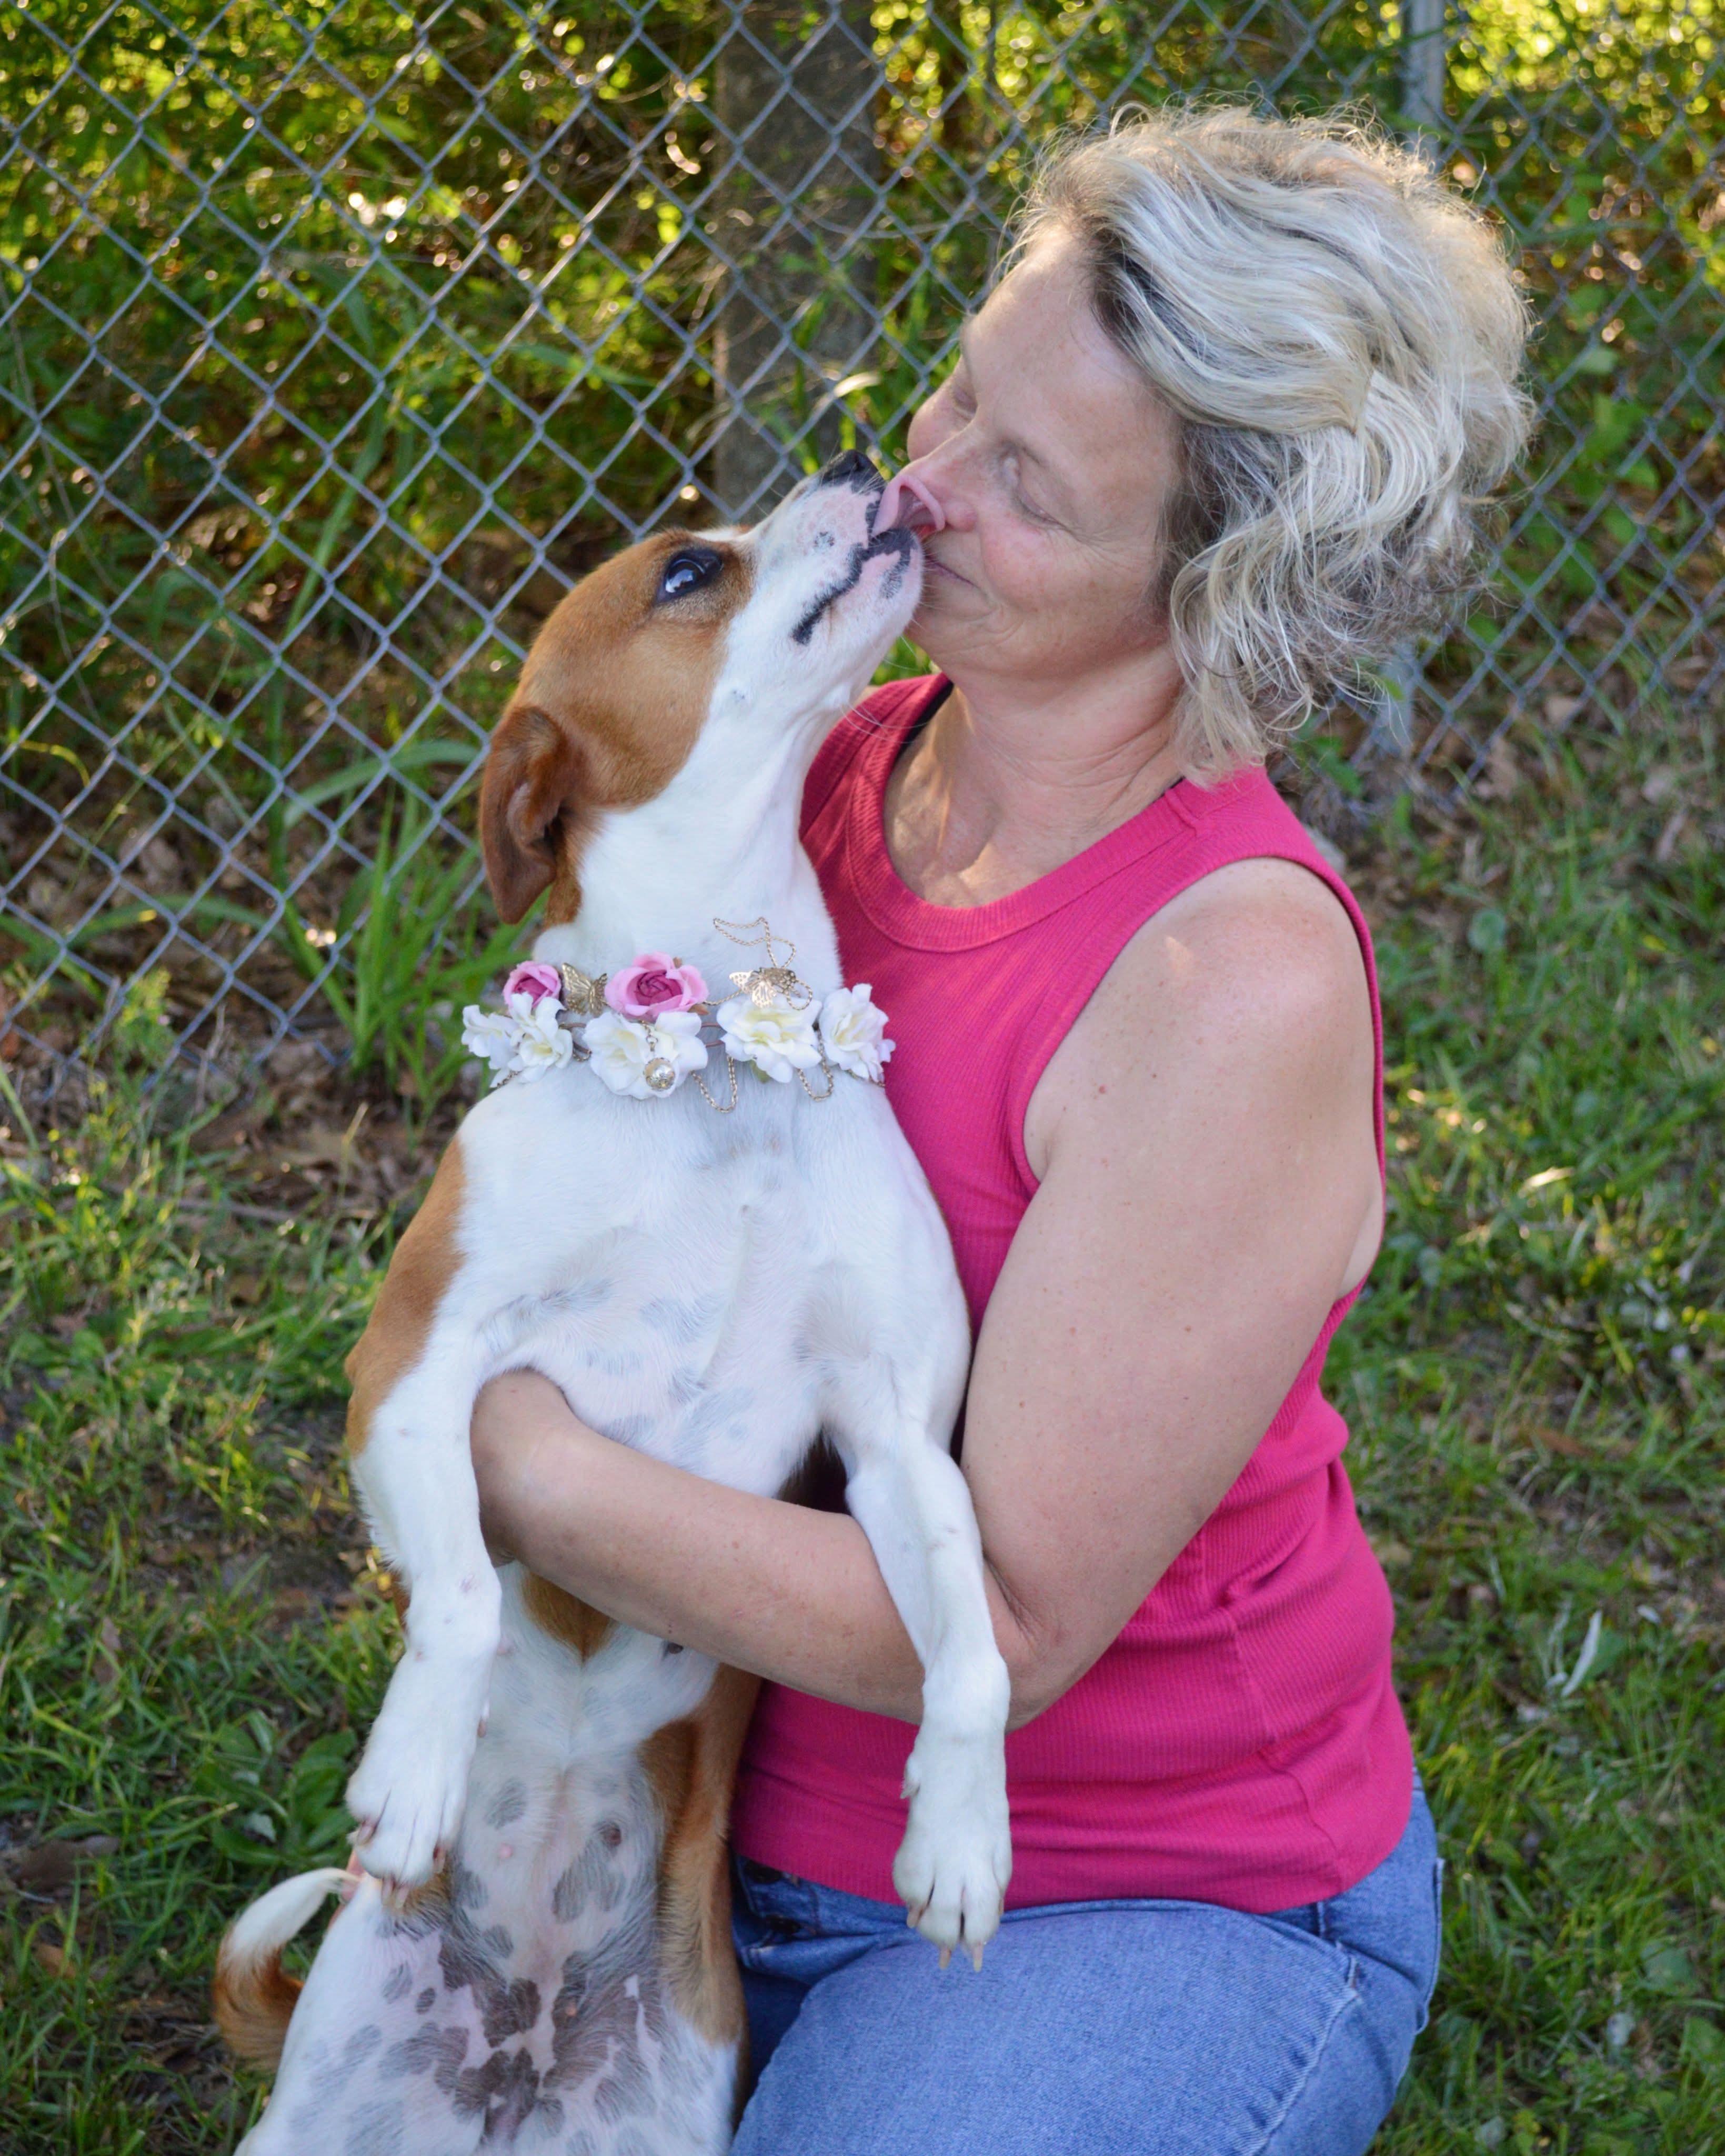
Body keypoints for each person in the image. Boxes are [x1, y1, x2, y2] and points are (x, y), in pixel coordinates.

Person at [469, 104, 1530, 2152]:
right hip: (697, 1808)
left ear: (1216, 586)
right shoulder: (823, 768)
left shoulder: (1227, 982)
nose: (923, 479)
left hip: (1116, 1883)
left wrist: (524, 1464)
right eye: (960, 380)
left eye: (1025, 485)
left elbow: (1015, 1633)